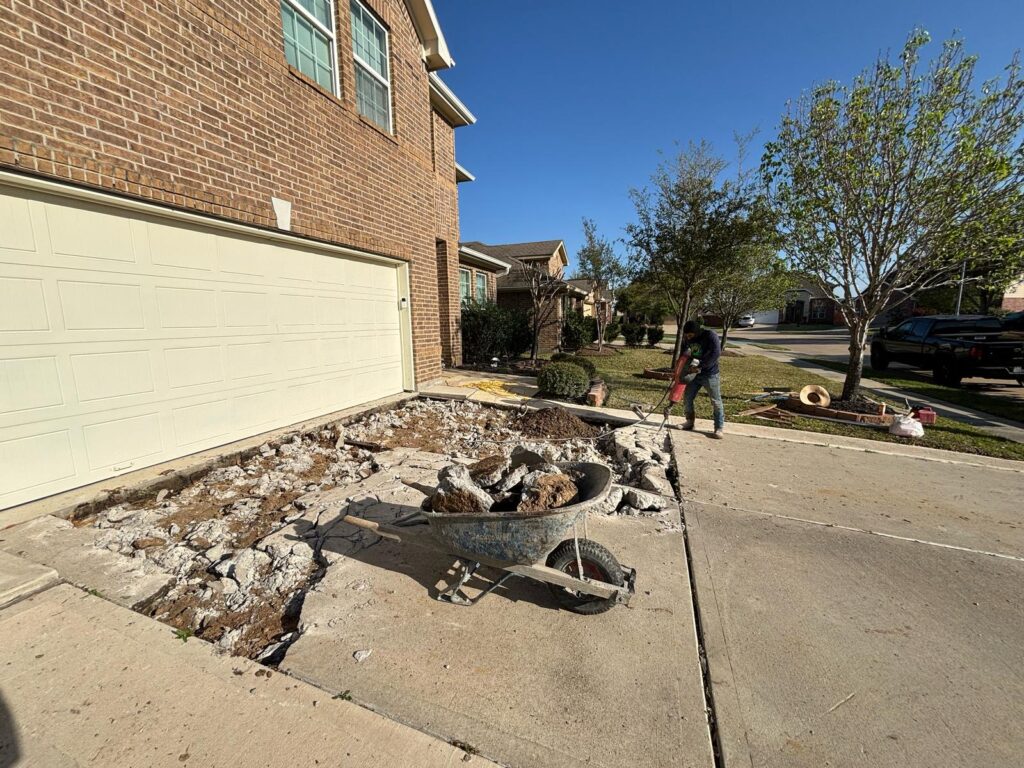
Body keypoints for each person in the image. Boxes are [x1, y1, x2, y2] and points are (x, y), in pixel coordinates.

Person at [680, 320, 724, 438]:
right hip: (694, 374)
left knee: (715, 401)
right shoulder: (687, 339)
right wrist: (682, 366)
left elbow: (715, 354)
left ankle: (719, 428)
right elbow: (684, 352)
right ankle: (689, 422)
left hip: (710, 374)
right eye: (686, 336)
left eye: (690, 335)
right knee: (688, 397)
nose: (688, 338)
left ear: (697, 332)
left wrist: (700, 366)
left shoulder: (710, 336)